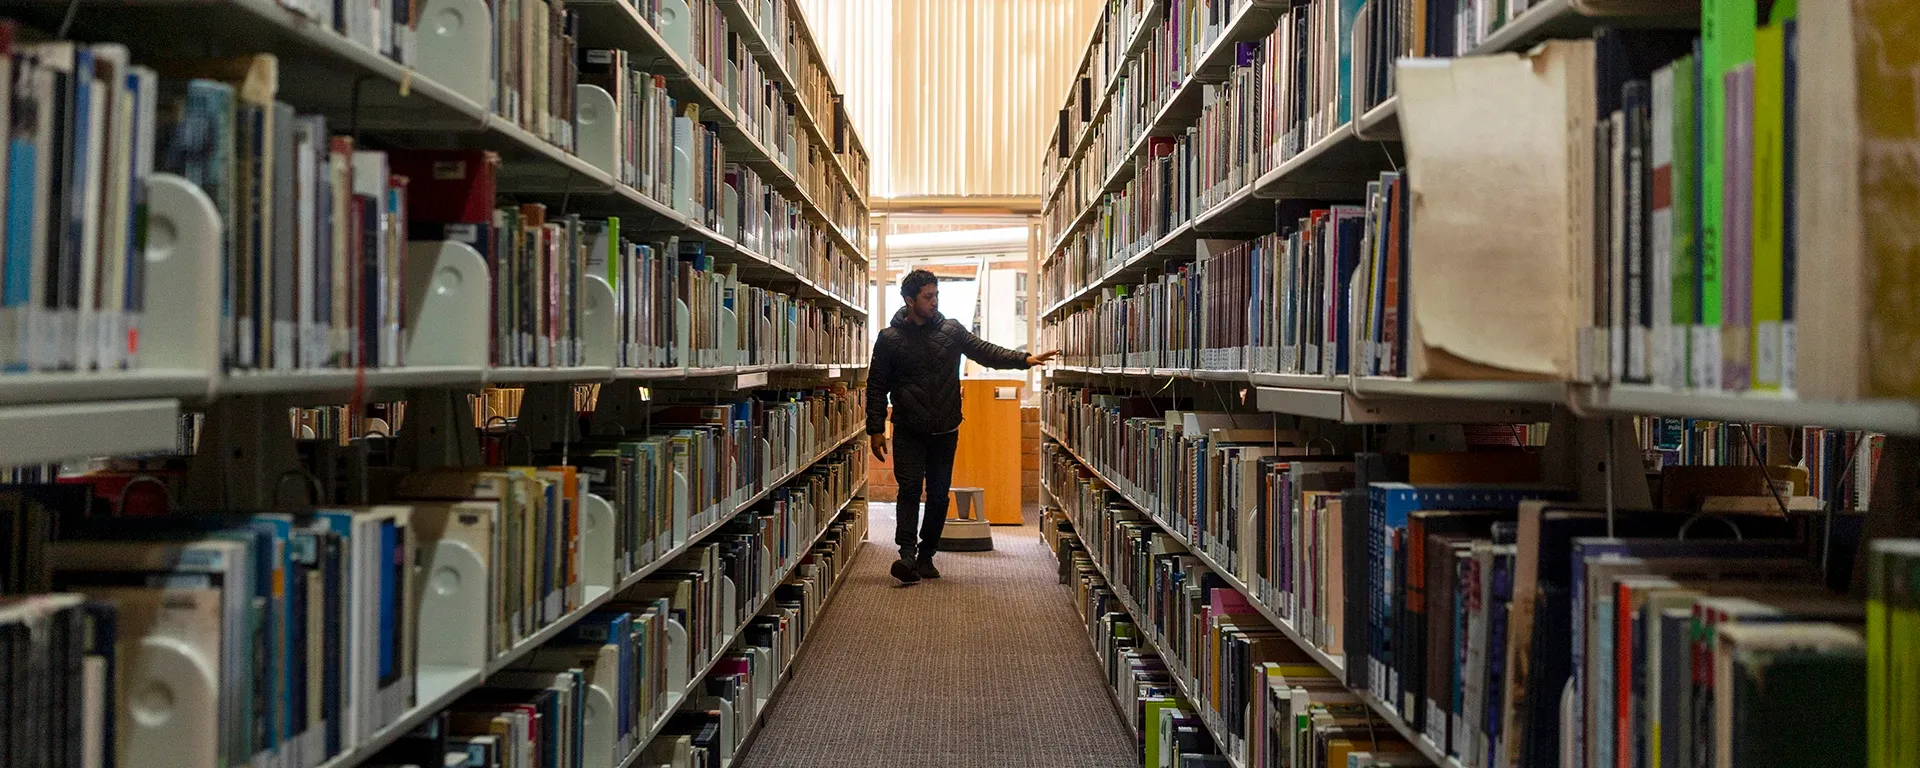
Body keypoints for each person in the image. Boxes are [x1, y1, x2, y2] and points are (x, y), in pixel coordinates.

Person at [867, 269, 1059, 584]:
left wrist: (1024, 360)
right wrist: (875, 429)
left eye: (936, 295)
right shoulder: (890, 339)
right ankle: (907, 555)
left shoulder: (951, 330)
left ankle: (927, 555)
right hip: (908, 429)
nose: (934, 302)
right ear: (910, 300)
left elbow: (986, 352)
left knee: (940, 495)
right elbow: (876, 386)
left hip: (945, 429)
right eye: (927, 297)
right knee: (910, 490)